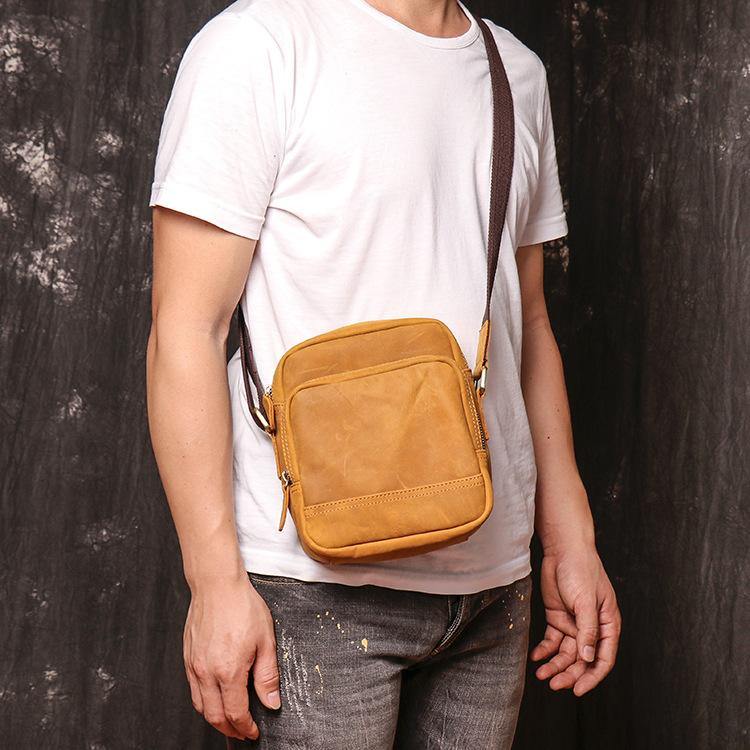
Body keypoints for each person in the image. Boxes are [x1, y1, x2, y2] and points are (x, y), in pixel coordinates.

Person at [146, 0, 622, 747]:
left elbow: (527, 323)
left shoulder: (514, 72)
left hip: (493, 588)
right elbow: (185, 329)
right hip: (312, 583)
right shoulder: (260, 44)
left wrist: (571, 540)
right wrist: (213, 584)